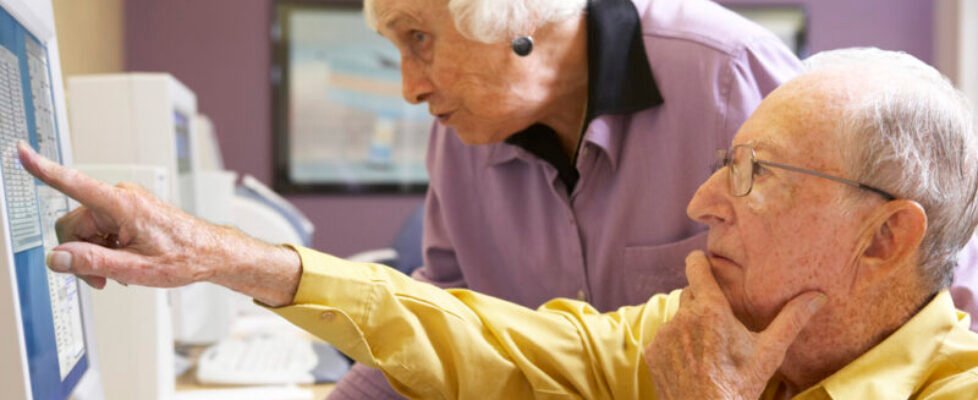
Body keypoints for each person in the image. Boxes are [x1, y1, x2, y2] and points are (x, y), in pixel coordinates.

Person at [22, 47, 978, 398]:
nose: (699, 204)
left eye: (755, 173)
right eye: (725, 161)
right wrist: (223, 256)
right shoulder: (703, 338)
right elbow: (492, 339)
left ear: (886, 236)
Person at [346, 0, 803, 395]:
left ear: (516, 16)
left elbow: (834, 305)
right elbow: (441, 321)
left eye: (419, 38)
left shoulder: (727, 73)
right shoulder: (461, 136)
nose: (410, 89)